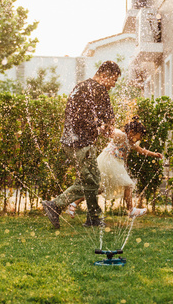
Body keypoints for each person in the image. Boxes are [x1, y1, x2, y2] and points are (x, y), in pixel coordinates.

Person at [42, 61, 121, 229]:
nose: (113, 85)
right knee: (92, 182)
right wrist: (110, 131)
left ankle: (93, 217)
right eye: (113, 80)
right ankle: (55, 205)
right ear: (104, 75)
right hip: (82, 144)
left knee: (88, 178)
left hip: (69, 142)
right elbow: (110, 122)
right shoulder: (99, 89)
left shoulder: (80, 86)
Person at [66, 117, 163, 219]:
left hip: (111, 163)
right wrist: (104, 127)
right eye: (140, 136)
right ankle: (131, 210)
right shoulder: (122, 136)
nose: (140, 138)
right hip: (110, 162)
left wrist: (154, 155)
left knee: (98, 189)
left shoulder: (130, 142)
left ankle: (73, 204)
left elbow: (141, 150)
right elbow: (112, 132)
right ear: (132, 132)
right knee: (128, 184)